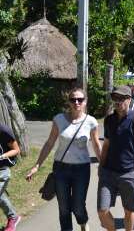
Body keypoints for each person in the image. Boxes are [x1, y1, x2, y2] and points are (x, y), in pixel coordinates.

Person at [26, 88, 101, 231]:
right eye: (73, 100)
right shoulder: (59, 119)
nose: (76, 102)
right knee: (64, 207)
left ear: (85, 102)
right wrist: (37, 166)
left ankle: (83, 223)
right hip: (61, 169)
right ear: (69, 102)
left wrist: (103, 166)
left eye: (80, 100)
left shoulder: (91, 122)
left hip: (82, 169)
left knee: (78, 206)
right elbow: (49, 143)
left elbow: (97, 145)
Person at [97, 86, 134, 231]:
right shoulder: (109, 120)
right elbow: (106, 145)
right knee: (102, 210)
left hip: (129, 174)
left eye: (121, 98)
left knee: (129, 211)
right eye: (115, 98)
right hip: (108, 173)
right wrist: (101, 167)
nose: (117, 101)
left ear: (129, 99)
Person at [0, 123, 21, 231]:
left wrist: (2, 156)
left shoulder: (3, 130)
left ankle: (13, 218)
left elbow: (16, 150)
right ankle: (13, 217)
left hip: (2, 170)